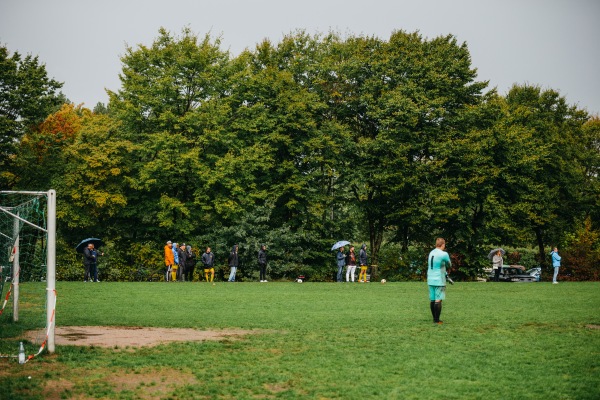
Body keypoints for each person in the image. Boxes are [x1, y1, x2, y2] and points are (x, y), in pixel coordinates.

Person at [427, 237, 451, 324]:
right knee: (438, 299)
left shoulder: (431, 252)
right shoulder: (444, 254)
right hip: (439, 279)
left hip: (430, 278)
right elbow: (449, 264)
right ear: (443, 244)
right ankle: (437, 320)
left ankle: (434, 318)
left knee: (432, 299)